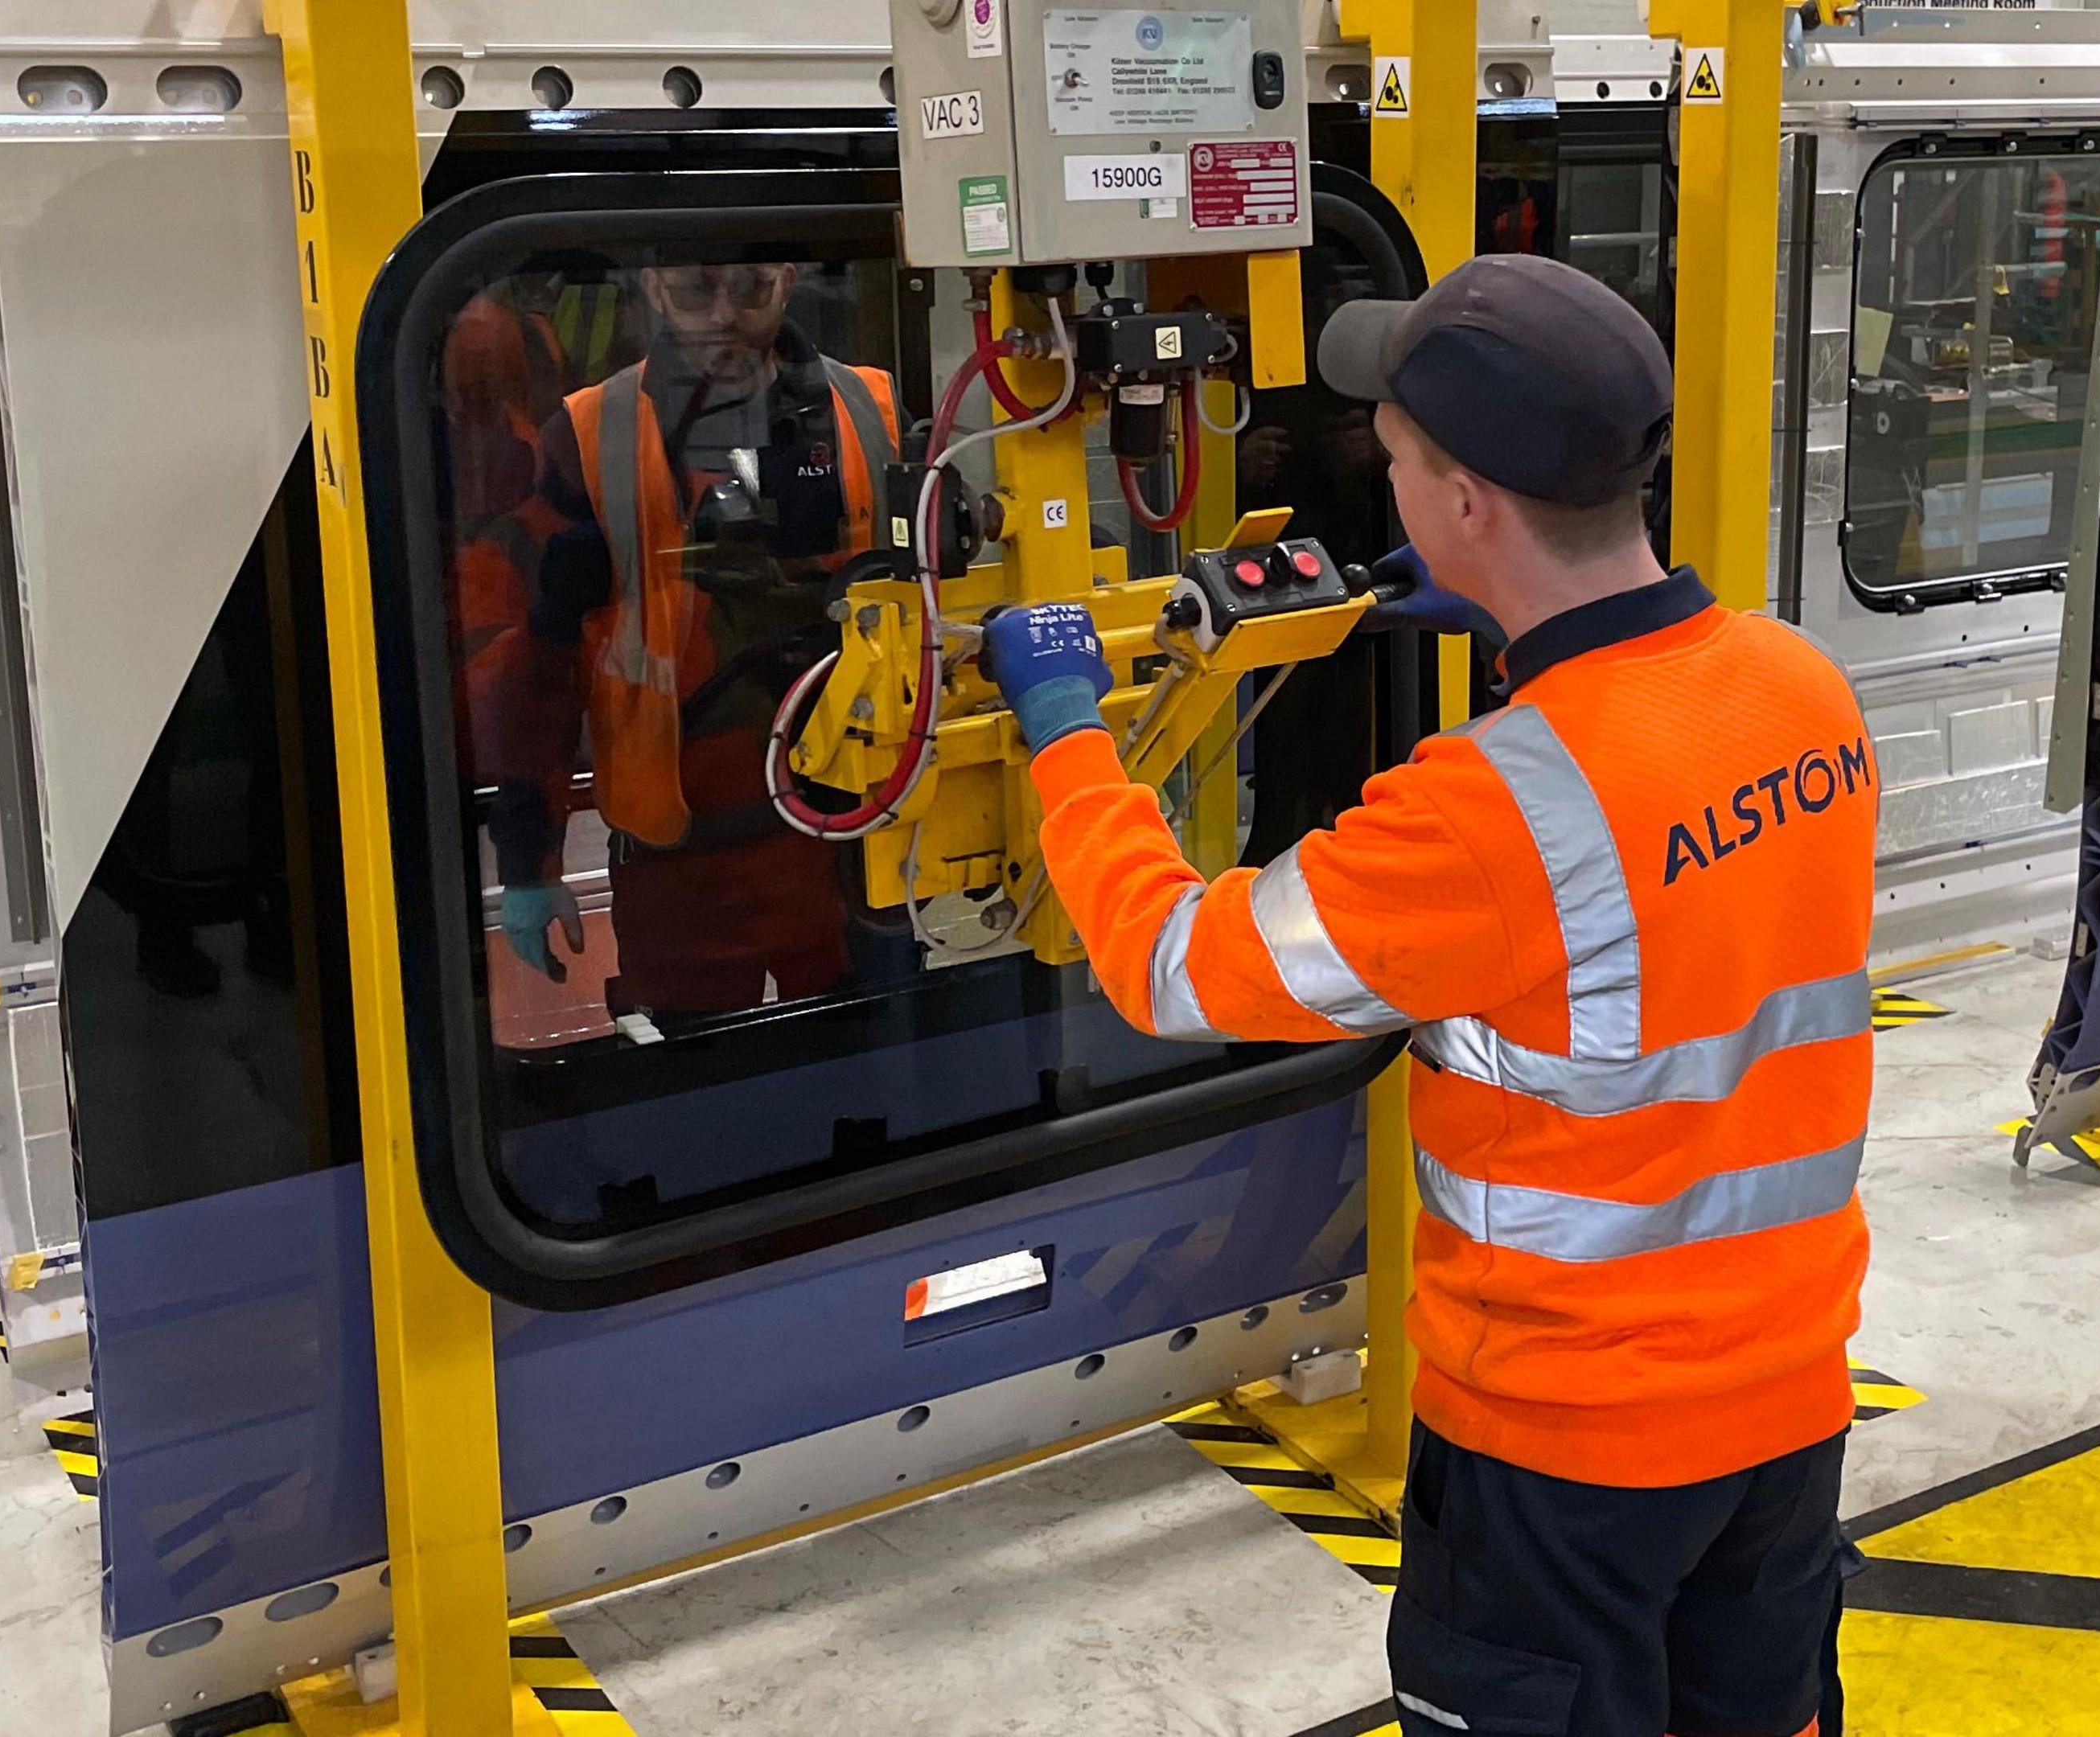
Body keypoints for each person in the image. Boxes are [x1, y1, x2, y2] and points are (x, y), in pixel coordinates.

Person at [982, 255, 1876, 1737]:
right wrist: (1502, 627)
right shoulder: (1798, 685)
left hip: (1563, 1447)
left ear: (1467, 504)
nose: (1382, 486)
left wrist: (1068, 730)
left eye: (1392, 461)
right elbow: (1661, 883)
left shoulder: (1494, 811)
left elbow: (1171, 964)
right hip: (1786, 1408)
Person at [483, 260, 899, 1016]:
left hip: (852, 854)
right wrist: (527, 860)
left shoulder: (870, 410)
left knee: (878, 1099)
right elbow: (539, 671)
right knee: (695, 1102)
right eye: (695, 289)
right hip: (680, 870)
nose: (724, 314)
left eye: (752, 289)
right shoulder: (586, 435)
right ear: (649, 286)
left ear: (791, 277)